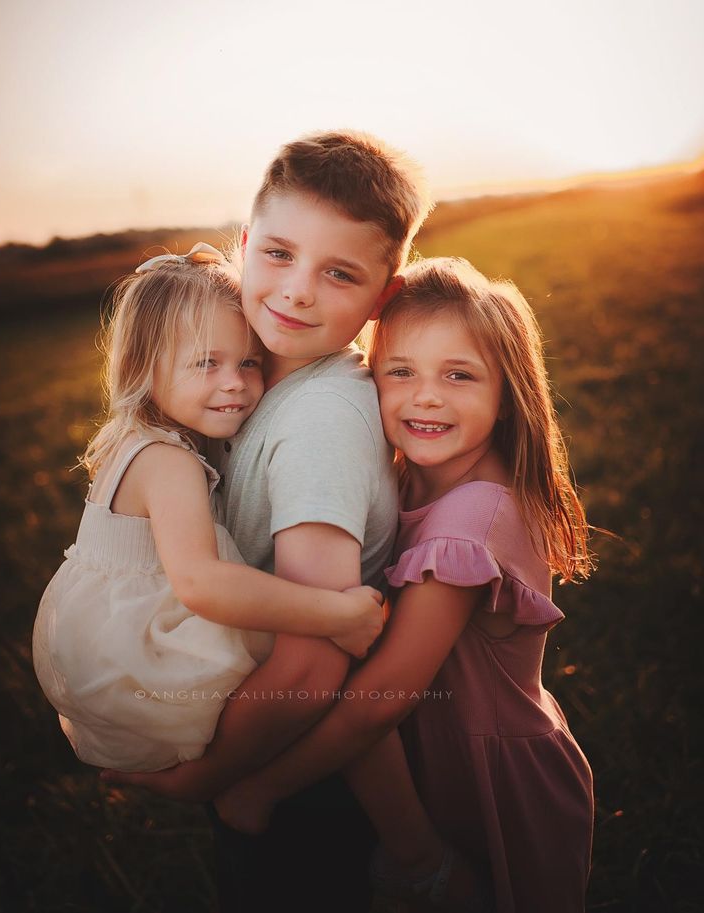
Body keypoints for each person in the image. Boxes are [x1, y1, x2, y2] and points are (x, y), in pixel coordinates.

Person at [102, 131, 434, 912]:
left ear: (381, 298)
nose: (296, 292)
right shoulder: (254, 384)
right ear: (244, 245)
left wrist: (208, 776)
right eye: (279, 253)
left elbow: (310, 663)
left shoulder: (316, 422)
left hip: (295, 771)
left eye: (339, 273)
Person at [214, 256, 595, 913]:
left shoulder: (468, 524)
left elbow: (377, 700)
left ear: (508, 393)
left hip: (489, 780)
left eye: (458, 375)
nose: (425, 396)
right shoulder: (413, 479)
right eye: (400, 372)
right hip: (436, 761)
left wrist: (262, 786)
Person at [32, 243, 385, 774]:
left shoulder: (139, 440)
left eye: (248, 362)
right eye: (206, 363)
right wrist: (340, 614)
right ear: (143, 369)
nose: (234, 383)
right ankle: (412, 843)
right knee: (337, 682)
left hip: (109, 654)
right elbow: (201, 582)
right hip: (145, 665)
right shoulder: (167, 462)